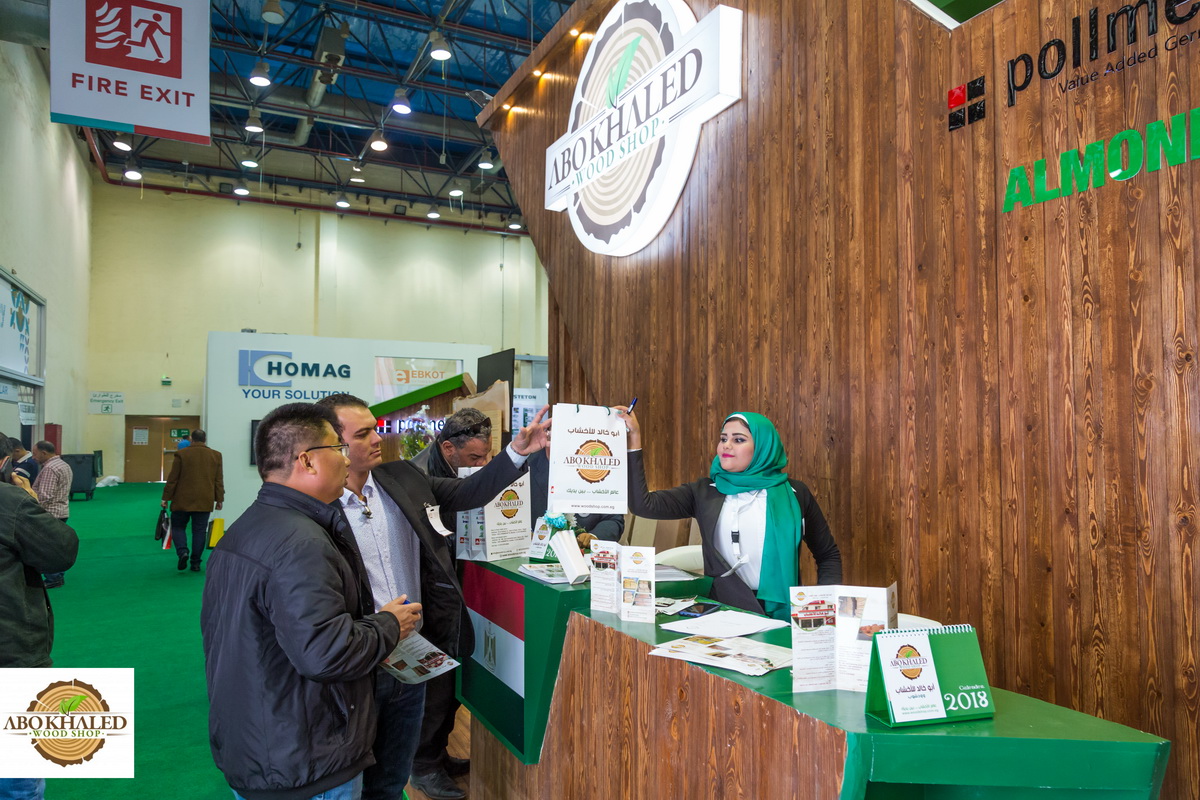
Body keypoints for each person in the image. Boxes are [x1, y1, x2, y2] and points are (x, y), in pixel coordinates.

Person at [316, 396, 550, 800]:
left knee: (394, 772)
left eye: (375, 429)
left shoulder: (401, 476)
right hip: (361, 656)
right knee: (354, 772)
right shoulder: (316, 504)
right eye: (364, 433)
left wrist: (516, 452)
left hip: (416, 644)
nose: (378, 439)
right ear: (333, 443)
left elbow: (469, 493)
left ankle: (426, 764)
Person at [201, 402, 422, 800]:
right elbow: (327, 653)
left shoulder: (247, 527)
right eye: (338, 447)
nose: (346, 458)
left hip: (262, 741)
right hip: (307, 758)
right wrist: (390, 623)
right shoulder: (301, 543)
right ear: (306, 460)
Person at [619, 408, 842, 619]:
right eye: (723, 438)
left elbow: (827, 554)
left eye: (739, 440)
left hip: (781, 610)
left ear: (763, 447)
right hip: (725, 609)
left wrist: (823, 605)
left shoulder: (795, 493)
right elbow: (643, 505)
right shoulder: (704, 491)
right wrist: (634, 441)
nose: (726, 445)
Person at [0, 433, 78, 800]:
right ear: (5, 462)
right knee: (17, 775)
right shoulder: (10, 501)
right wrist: (29, 500)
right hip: (10, 648)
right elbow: (60, 552)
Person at [526, 449, 626, 542]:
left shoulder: (600, 465)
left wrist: (593, 537)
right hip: (533, 549)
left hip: (583, 552)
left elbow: (613, 519)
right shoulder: (525, 463)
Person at [160, 428, 223, 572]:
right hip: (204, 500)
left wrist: (165, 497)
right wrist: (219, 499)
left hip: (181, 499)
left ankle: (183, 552)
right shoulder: (216, 455)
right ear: (205, 439)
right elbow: (218, 480)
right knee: (199, 531)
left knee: (178, 527)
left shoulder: (182, 454)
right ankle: (196, 563)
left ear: (191, 439)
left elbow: (173, 478)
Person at [31, 442, 72, 589]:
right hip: (61, 511)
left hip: (50, 513)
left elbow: (44, 496)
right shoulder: (63, 465)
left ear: (44, 453)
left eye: (35, 454)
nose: (33, 457)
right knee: (56, 546)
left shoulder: (50, 468)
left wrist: (31, 506)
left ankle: (53, 578)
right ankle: (57, 576)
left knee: (47, 548)